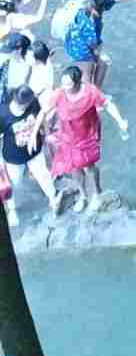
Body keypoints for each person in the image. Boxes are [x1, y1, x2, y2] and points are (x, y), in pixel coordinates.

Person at [43, 64, 128, 211]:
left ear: (77, 83)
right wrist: (42, 131)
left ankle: (97, 193)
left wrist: (120, 121)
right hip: (68, 135)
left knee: (89, 166)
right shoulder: (59, 94)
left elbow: (107, 105)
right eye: (63, 84)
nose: (65, 87)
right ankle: (83, 196)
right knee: (74, 166)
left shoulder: (90, 92)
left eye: (68, 84)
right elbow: (46, 111)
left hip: (88, 134)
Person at [0, 86, 60, 223]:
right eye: (22, 106)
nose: (24, 108)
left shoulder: (33, 103)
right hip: (13, 157)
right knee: (14, 183)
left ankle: (53, 198)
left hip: (34, 150)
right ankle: (12, 209)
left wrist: (46, 134)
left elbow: (41, 117)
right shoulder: (3, 113)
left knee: (43, 175)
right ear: (15, 100)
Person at [62, 0, 136, 86]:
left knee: (102, 64)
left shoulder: (99, 0)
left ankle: (95, 93)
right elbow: (88, 39)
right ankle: (88, 97)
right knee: (87, 74)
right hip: (80, 48)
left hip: (89, 42)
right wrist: (96, 52)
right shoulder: (86, 14)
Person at [0, 33, 33, 100]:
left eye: (10, 50)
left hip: (16, 95)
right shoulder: (5, 58)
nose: (7, 53)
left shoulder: (27, 63)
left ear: (19, 49)